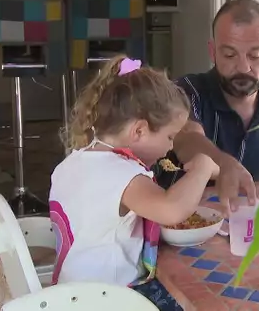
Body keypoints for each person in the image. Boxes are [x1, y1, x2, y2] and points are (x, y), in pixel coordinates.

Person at [49, 56, 218, 311]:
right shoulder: (121, 174)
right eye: (169, 137)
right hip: (106, 301)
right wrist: (203, 167)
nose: (171, 147)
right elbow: (171, 211)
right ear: (138, 131)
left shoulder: (76, 162)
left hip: (70, 295)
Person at [155, 0, 259, 214]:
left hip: (251, 235)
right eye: (229, 54)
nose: (243, 67)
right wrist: (223, 164)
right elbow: (187, 138)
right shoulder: (185, 91)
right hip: (187, 236)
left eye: (255, 55)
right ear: (213, 51)